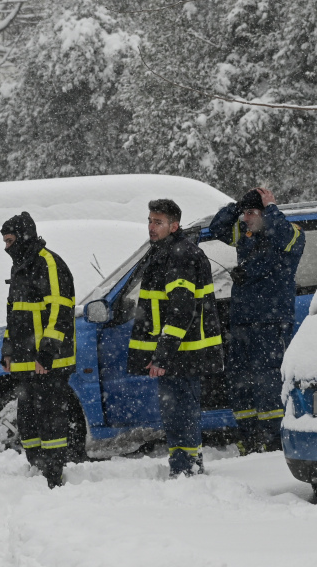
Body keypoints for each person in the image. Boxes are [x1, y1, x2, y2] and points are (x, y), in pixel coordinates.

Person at [127, 199, 224, 477]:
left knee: (180, 412)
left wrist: (162, 354)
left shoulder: (179, 255)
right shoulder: (166, 252)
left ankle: (186, 469)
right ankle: (185, 466)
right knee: (177, 412)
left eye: (158, 222)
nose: (151, 227)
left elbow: (181, 310)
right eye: (149, 220)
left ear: (174, 225)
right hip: (179, 352)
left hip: (183, 353)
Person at [206, 187, 305, 454]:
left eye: (252, 213)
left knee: (268, 384)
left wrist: (270, 208)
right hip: (242, 322)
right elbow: (217, 228)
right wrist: (238, 207)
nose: (246, 219)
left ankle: (273, 442)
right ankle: (248, 439)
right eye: (245, 214)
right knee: (240, 383)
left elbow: (283, 234)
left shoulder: (290, 233)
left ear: (266, 213)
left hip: (271, 322)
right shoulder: (245, 234)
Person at [0, 211, 77, 488]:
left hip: (49, 362)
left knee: (51, 418)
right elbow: (14, 315)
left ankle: (53, 475)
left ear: (23, 238)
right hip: (24, 362)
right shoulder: (19, 267)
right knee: (28, 418)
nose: (6, 247)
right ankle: (36, 466)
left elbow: (60, 312)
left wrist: (46, 353)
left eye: (9, 241)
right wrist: (7, 350)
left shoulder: (49, 264)